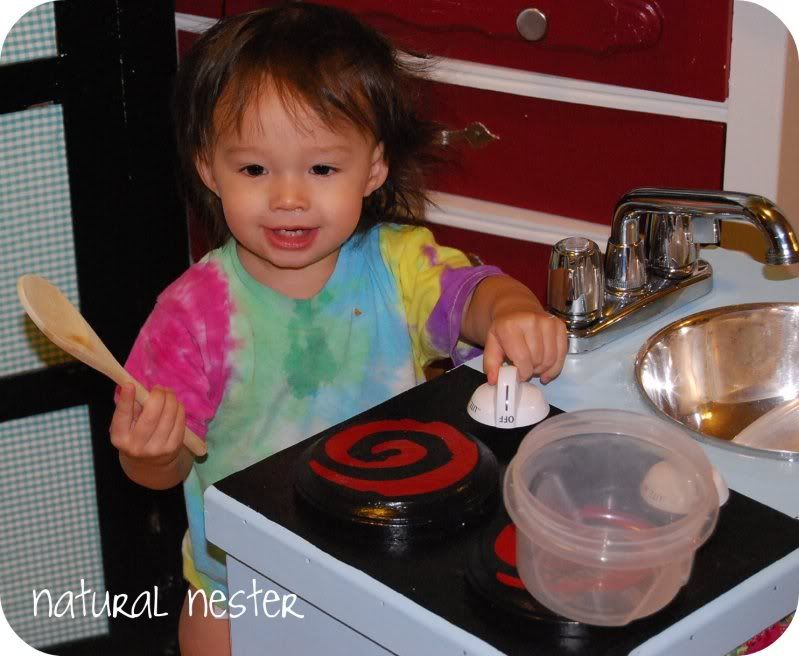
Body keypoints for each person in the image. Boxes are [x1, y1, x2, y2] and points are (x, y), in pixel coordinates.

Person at [109, 3, 567, 654]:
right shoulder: (191, 314)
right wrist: (149, 454)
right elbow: (161, 470)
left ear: (373, 168)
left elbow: (473, 294)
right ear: (209, 169)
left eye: (321, 169)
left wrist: (513, 309)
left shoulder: (398, 265)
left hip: (384, 575)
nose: (289, 197)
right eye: (254, 170)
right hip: (241, 588)